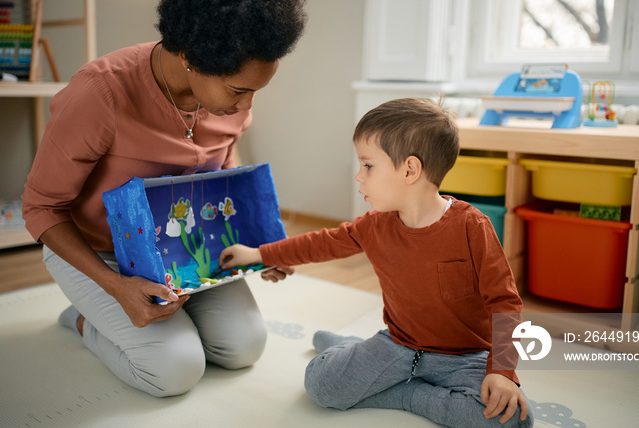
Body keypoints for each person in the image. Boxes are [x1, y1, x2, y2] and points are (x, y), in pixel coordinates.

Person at [21, 0, 306, 398]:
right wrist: (116, 287)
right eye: (237, 91)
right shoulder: (101, 93)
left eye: (255, 92)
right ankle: (83, 319)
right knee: (175, 371)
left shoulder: (231, 102)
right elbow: (40, 208)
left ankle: (135, 320)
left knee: (244, 347)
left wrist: (261, 246)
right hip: (101, 253)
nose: (247, 105)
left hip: (186, 250)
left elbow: (224, 173)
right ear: (190, 57)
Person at [220, 98, 534, 427]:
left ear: (410, 170)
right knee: (321, 385)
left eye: (368, 165)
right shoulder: (375, 225)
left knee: (514, 421)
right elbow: (322, 243)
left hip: (464, 357)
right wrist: (258, 254)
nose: (359, 176)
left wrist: (502, 372)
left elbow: (505, 302)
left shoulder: (473, 227)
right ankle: (353, 352)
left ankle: (402, 391)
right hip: (397, 347)